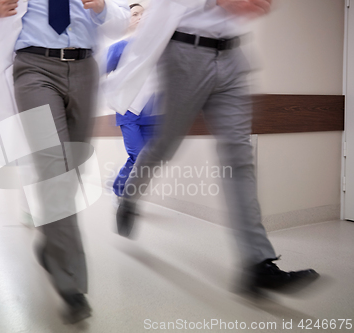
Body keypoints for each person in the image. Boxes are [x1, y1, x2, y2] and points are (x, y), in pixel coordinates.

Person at [107, 0, 320, 296]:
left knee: (239, 156)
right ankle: (129, 196)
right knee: (165, 146)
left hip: (232, 54)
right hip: (184, 52)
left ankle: (258, 264)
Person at [0, 0, 130, 324]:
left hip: (85, 68)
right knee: (55, 171)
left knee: (73, 170)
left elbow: (122, 20)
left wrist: (104, 6)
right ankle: (71, 284)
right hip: (33, 67)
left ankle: (51, 246)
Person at [106, 3, 162, 200]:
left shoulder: (158, 47)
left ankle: (119, 180)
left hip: (153, 113)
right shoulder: (118, 48)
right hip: (128, 112)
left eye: (143, 14)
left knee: (145, 160)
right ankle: (119, 191)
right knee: (138, 156)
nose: (140, 17)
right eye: (135, 14)